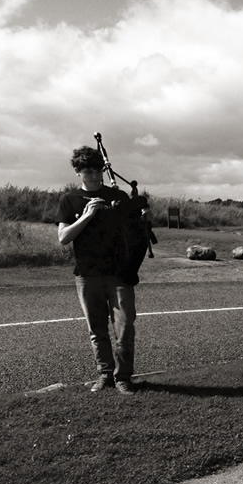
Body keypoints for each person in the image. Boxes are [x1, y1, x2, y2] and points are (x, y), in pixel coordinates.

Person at [56, 146, 145, 394]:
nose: (95, 176)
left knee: (124, 327)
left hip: (119, 274)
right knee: (96, 329)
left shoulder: (118, 196)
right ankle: (105, 375)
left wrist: (135, 209)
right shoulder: (69, 200)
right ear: (77, 172)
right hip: (87, 274)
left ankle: (123, 377)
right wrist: (86, 215)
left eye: (99, 171)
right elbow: (63, 237)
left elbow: (137, 235)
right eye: (88, 172)